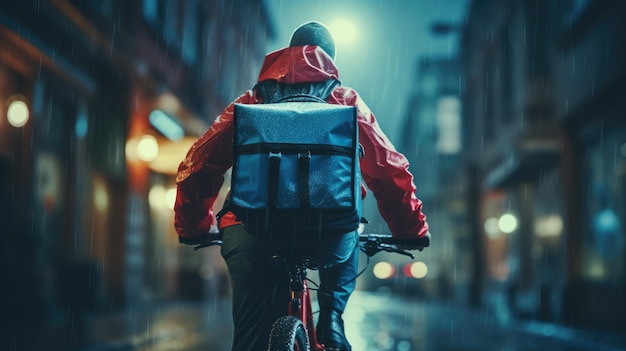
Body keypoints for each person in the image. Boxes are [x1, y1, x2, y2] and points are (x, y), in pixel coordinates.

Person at [174, 21, 429, 351]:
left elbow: (198, 166)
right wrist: (411, 229)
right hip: (327, 234)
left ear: (288, 53)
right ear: (331, 60)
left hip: (254, 231)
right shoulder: (345, 101)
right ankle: (332, 319)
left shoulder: (251, 102)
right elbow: (388, 170)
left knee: (251, 335)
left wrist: (194, 226)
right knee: (351, 233)